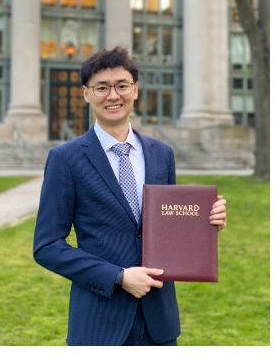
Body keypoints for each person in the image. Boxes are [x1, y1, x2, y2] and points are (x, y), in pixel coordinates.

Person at [32, 46, 227, 346]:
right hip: (99, 323)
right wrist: (118, 276)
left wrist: (206, 222)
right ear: (86, 93)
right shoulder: (66, 159)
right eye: (102, 87)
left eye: (122, 86)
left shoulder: (161, 154)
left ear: (135, 90)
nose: (113, 96)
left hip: (158, 324)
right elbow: (47, 246)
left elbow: (170, 227)